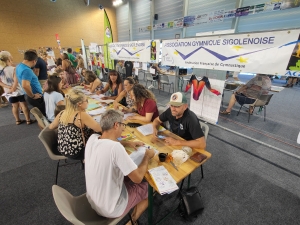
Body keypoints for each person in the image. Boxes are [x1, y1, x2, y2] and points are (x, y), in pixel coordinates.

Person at [85, 109, 155, 223]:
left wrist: (127, 143)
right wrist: (147, 156)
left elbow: (107, 142)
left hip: (93, 200)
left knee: (126, 175)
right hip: (111, 208)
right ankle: (132, 220)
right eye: (122, 124)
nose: (124, 128)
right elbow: (137, 179)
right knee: (150, 188)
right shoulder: (115, 148)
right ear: (116, 125)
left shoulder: (92, 139)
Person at [49, 89, 102, 160]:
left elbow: (51, 127)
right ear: (79, 104)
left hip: (63, 149)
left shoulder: (62, 113)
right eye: (86, 100)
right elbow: (100, 129)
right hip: (77, 152)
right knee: (101, 137)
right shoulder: (81, 115)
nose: (87, 102)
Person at [0, 51, 35, 125]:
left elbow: (0, 82)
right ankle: (28, 120)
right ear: (9, 58)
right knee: (23, 104)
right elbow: (16, 81)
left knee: (14, 105)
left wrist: (8, 87)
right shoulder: (13, 68)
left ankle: (17, 120)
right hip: (18, 90)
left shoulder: (1, 70)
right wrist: (13, 88)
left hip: (8, 91)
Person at [16, 50, 46, 116]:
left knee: (39, 115)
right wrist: (33, 96)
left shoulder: (19, 66)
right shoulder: (27, 70)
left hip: (29, 94)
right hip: (35, 96)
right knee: (43, 115)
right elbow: (25, 85)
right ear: (34, 61)